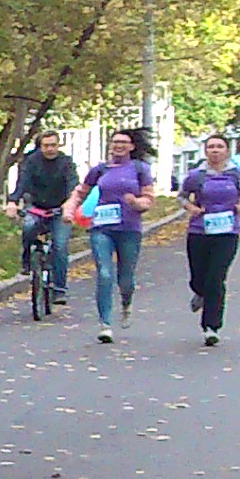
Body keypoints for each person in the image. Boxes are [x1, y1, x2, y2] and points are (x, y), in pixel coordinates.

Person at [64, 127, 155, 344]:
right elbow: (80, 192)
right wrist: (69, 209)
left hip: (129, 228)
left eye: (123, 142)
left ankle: (126, 301)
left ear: (131, 147)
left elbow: (149, 198)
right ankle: (105, 323)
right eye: (115, 142)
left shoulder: (139, 168)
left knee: (126, 278)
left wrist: (137, 203)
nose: (118, 146)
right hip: (101, 227)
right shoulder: (100, 169)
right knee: (104, 274)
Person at [177, 134, 240, 348]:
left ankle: (211, 327)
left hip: (227, 232)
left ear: (227, 150)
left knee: (216, 277)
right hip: (200, 231)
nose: (215, 150)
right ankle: (199, 292)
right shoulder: (196, 175)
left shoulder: (235, 173)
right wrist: (191, 208)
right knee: (198, 277)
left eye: (220, 147)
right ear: (206, 151)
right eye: (211, 147)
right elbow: (182, 196)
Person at [9, 128, 79, 304]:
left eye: (53, 145)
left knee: (60, 246)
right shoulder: (31, 162)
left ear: (58, 145)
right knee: (28, 227)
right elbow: (22, 183)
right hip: (36, 207)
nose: (50, 149)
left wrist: (70, 204)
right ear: (40, 146)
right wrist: (13, 201)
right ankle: (27, 261)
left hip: (59, 209)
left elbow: (73, 184)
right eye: (46, 145)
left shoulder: (66, 162)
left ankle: (60, 289)